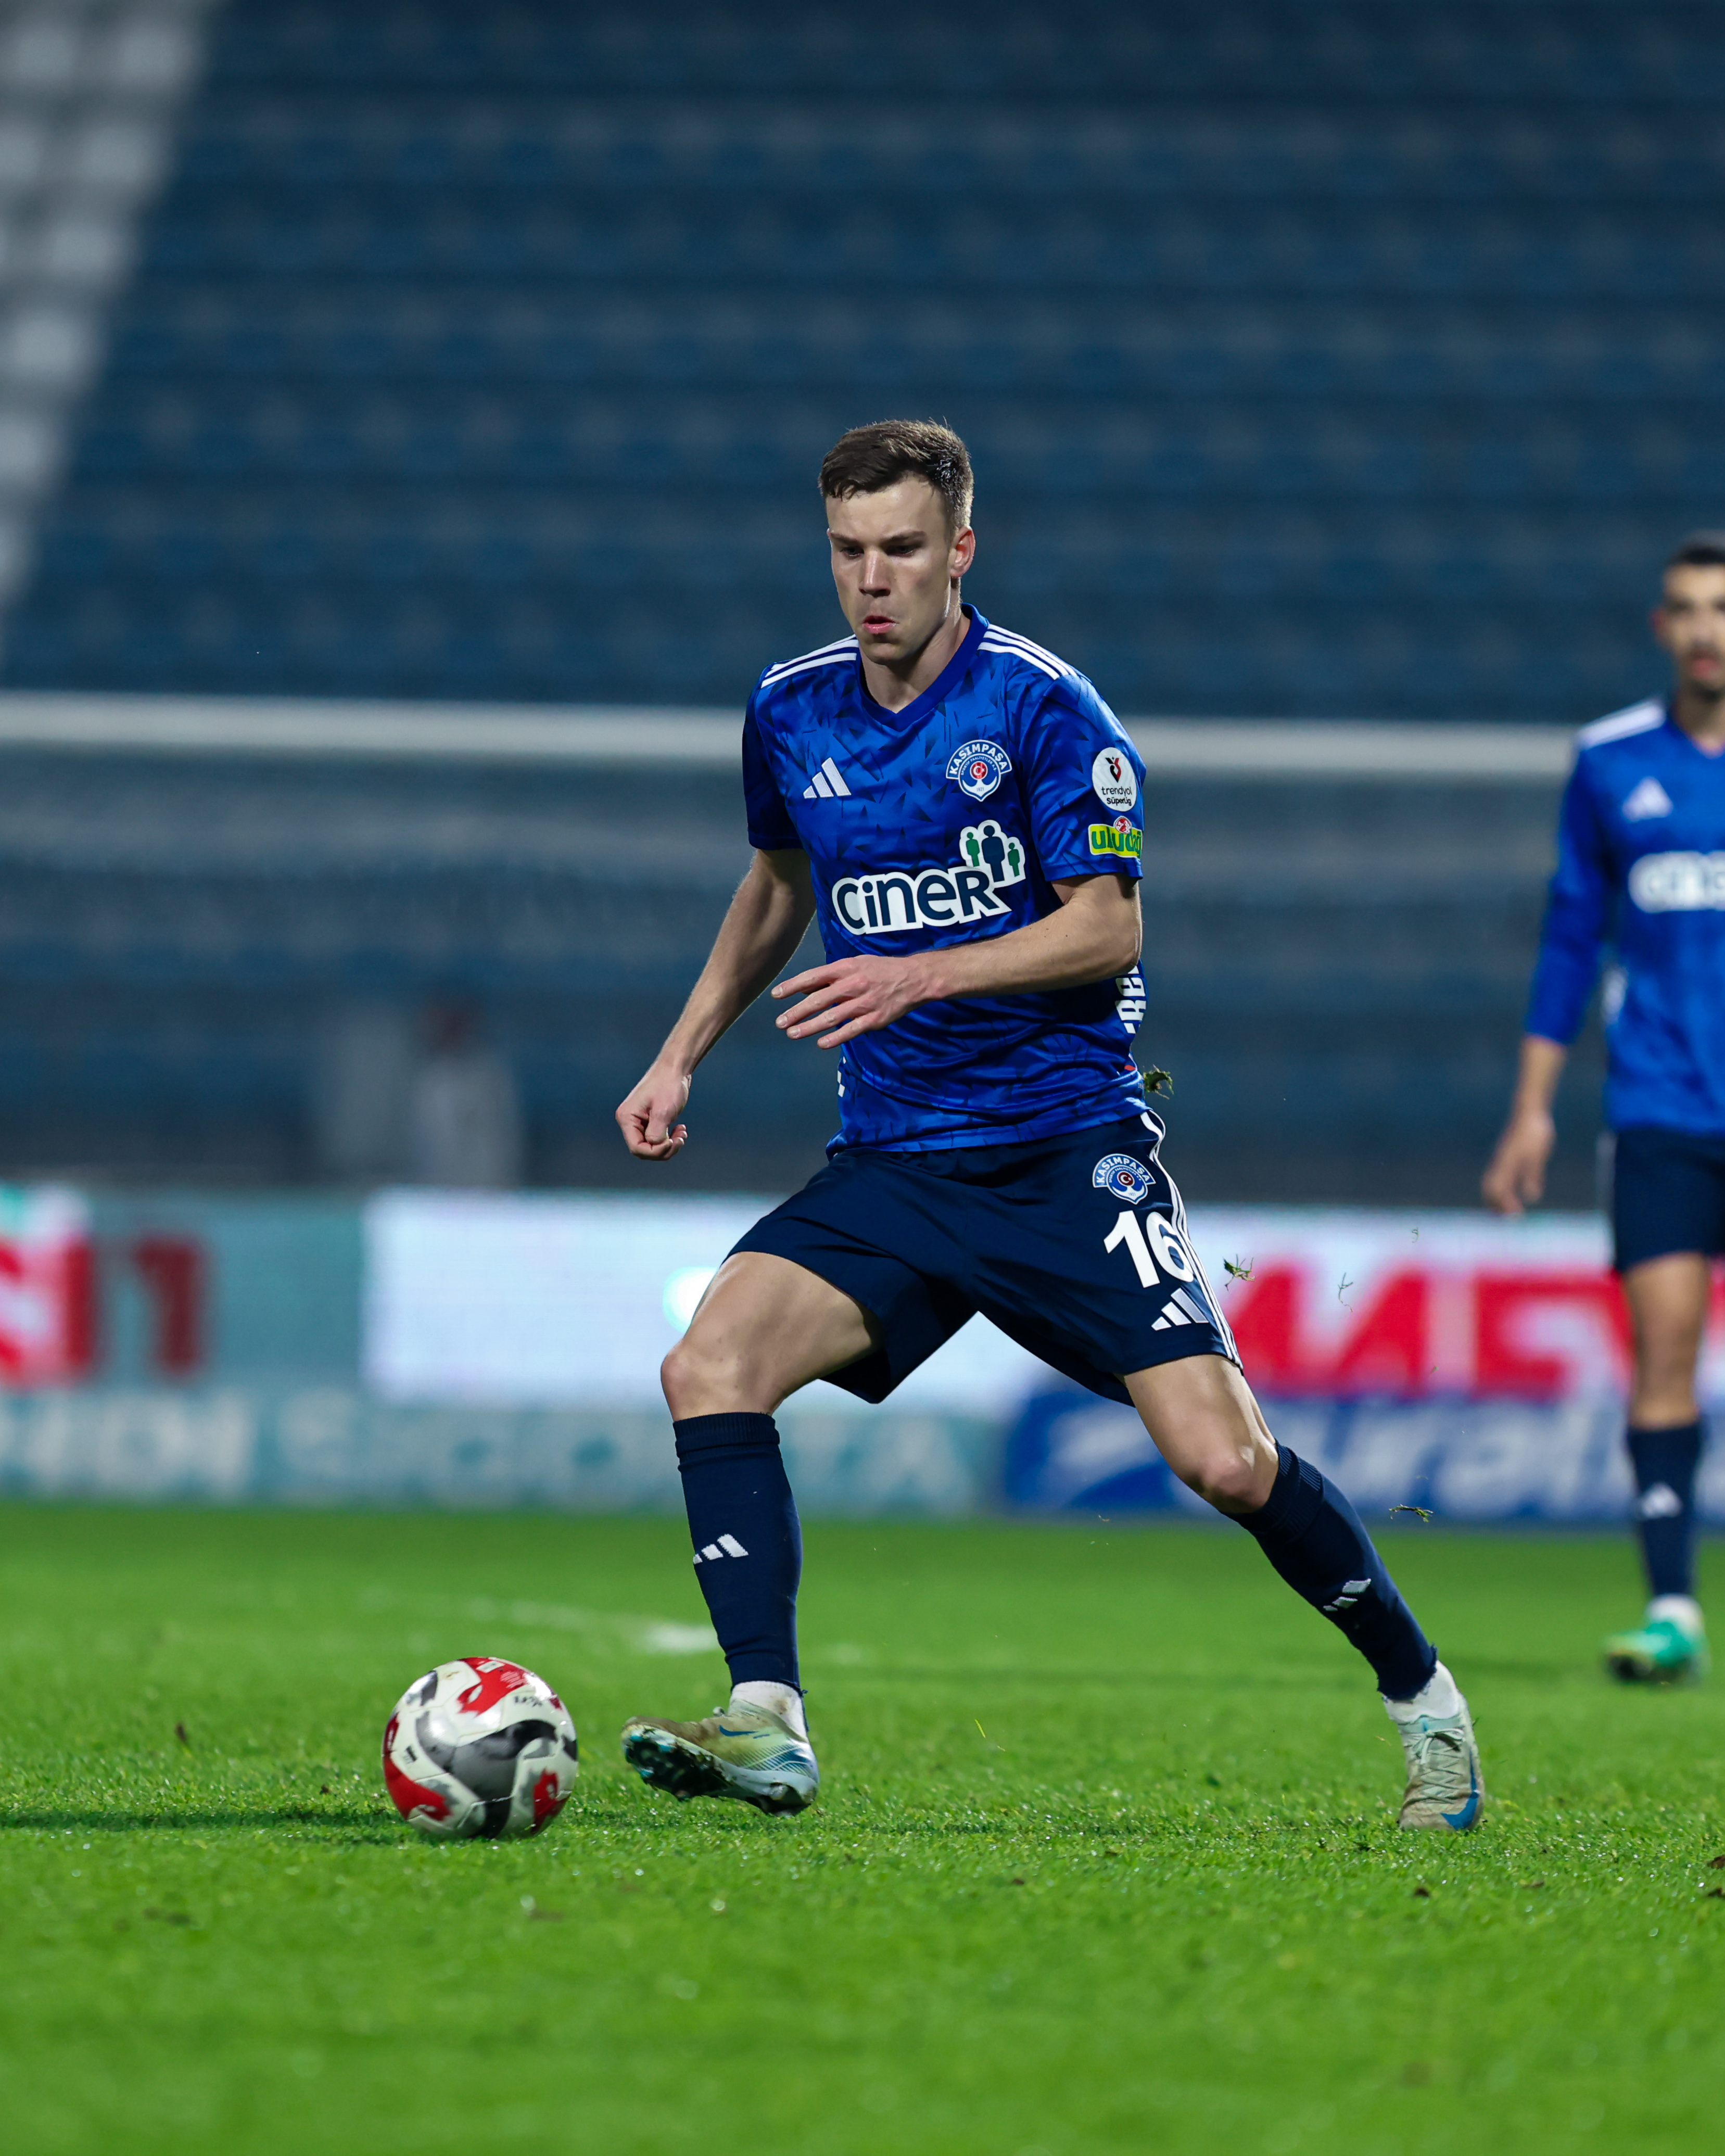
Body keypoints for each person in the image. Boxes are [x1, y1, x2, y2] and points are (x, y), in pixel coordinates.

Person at [614, 418, 1483, 1828]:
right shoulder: (789, 708)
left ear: (961, 547)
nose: (872, 579)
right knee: (708, 1364)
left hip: (1064, 1151)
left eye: (902, 548)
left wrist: (919, 972)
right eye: (847, 551)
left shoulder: (1042, 707)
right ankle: (766, 1716)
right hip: (895, 1161)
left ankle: (1425, 1700)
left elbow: (1106, 926)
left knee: (1224, 1460)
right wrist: (678, 1056)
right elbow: (777, 880)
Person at [1484, 534, 1725, 1684]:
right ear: (1660, 627)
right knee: (1663, 1356)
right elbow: (1570, 942)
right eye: (1686, 608)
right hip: (1661, 1110)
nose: (1705, 629)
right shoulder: (1610, 761)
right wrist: (1531, 1110)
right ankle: (1672, 1605)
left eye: (1721, 607)